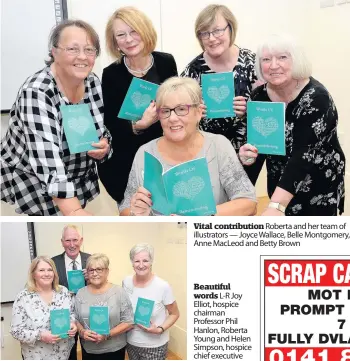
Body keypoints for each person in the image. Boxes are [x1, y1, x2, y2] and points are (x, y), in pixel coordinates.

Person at [1, 20, 112, 216]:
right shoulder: (37, 92)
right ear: (54, 52)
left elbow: (100, 129)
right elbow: (48, 162)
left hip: (74, 175)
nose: (82, 57)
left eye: (89, 50)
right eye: (72, 49)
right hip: (36, 179)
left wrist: (104, 146)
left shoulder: (92, 81)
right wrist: (75, 211)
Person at [239, 34, 345, 216]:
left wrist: (276, 206)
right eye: (266, 59)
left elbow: (303, 155)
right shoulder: (259, 96)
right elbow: (259, 146)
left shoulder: (316, 98)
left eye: (282, 57)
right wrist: (243, 194)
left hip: (317, 185)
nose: (273, 65)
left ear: (296, 61)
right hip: (280, 182)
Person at [119, 76, 256, 216]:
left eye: (182, 109)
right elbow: (124, 209)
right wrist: (135, 213)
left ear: (198, 112)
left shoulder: (218, 146)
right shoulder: (145, 153)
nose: (172, 118)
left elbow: (248, 203)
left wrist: (201, 217)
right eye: (165, 111)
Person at [97, 6, 178, 204]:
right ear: (115, 42)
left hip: (165, 158)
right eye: (121, 35)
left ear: (145, 31)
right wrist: (138, 125)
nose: (129, 39)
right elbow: (109, 125)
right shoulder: (111, 74)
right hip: (126, 163)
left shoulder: (166, 62)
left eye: (134, 31)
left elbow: (176, 101)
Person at [181, 4, 260, 179]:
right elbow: (179, 112)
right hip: (207, 155)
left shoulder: (252, 63)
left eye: (217, 31)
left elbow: (270, 109)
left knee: (243, 203)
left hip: (247, 154)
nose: (211, 38)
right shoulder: (192, 71)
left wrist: (250, 109)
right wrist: (194, 111)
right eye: (205, 33)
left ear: (230, 29)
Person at [11, 256, 77, 360]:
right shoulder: (23, 297)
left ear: (54, 273)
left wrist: (73, 324)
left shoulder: (63, 292)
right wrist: (40, 335)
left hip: (63, 354)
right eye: (41, 270)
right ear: (33, 274)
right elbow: (16, 331)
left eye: (50, 270)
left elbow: (72, 314)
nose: (46, 274)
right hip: (36, 356)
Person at [122, 244, 179, 360]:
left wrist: (160, 329)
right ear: (132, 262)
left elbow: (175, 313)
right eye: (137, 261)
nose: (141, 265)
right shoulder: (126, 282)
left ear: (151, 262)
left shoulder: (163, 286)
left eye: (145, 261)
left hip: (155, 345)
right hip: (131, 342)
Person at [75, 254, 134, 360]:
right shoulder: (80, 293)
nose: (95, 273)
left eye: (99, 269)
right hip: (89, 349)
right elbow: (75, 319)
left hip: (114, 349)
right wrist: (82, 331)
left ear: (107, 271)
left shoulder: (119, 292)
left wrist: (107, 334)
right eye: (91, 270)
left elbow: (129, 322)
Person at [52, 224, 91, 360]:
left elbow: (101, 286)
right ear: (62, 242)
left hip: (88, 314)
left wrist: (91, 279)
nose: (72, 244)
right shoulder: (53, 263)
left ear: (81, 240)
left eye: (75, 240)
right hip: (65, 317)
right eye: (68, 240)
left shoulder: (91, 261)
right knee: (69, 353)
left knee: (90, 350)